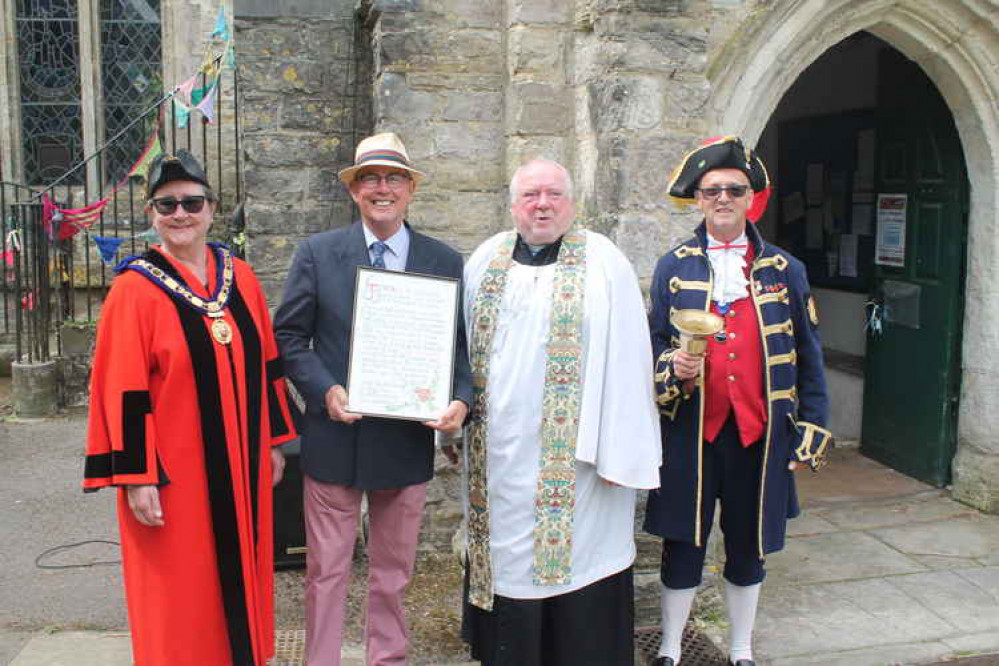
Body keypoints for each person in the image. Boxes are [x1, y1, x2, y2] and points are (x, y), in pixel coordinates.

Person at [84, 149, 298, 666]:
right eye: (167, 205)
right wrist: (138, 477)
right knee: (181, 589)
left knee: (241, 576)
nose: (180, 214)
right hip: (174, 478)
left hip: (242, 466)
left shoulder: (239, 278)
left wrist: (272, 442)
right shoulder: (134, 292)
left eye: (192, 202)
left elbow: (266, 362)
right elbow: (121, 389)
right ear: (150, 214)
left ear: (211, 207)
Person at [273, 132, 473, 666]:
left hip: (405, 442)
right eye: (370, 179)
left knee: (393, 572)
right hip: (335, 434)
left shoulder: (445, 260)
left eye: (393, 178)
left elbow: (461, 352)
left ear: (410, 189)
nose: (381, 189)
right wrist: (325, 390)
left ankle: (387, 659)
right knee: (326, 571)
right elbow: (289, 338)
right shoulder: (318, 253)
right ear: (355, 190)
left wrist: (460, 401)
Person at [460, 158, 662, 666]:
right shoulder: (484, 261)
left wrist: (624, 453)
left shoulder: (604, 262)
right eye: (531, 195)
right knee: (509, 572)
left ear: (572, 203)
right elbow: (458, 351)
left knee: (582, 567)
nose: (542, 204)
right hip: (499, 461)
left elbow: (631, 359)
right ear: (513, 206)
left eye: (553, 194)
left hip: (580, 465)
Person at [644, 136, 832, 666]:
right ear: (698, 199)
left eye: (734, 189)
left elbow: (809, 355)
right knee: (683, 543)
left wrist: (812, 430)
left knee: (748, 547)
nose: (723, 198)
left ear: (751, 197)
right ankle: (670, 647)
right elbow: (655, 341)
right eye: (712, 191)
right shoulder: (672, 266)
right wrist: (671, 369)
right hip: (691, 433)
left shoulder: (784, 269)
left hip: (760, 434)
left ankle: (743, 648)